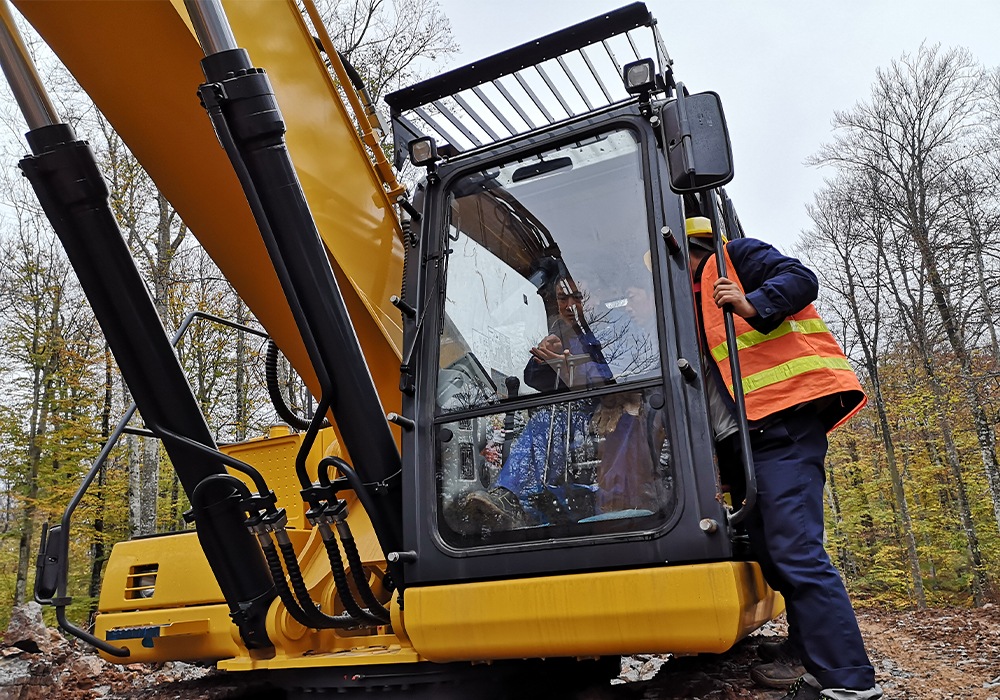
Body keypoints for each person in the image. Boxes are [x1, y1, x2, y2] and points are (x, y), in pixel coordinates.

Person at [685, 215, 881, 700]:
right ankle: (805, 647)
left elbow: (801, 279)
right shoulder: (684, 307)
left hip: (782, 424)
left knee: (797, 552)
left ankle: (847, 683)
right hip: (742, 442)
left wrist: (752, 303)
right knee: (772, 552)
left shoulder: (736, 258)